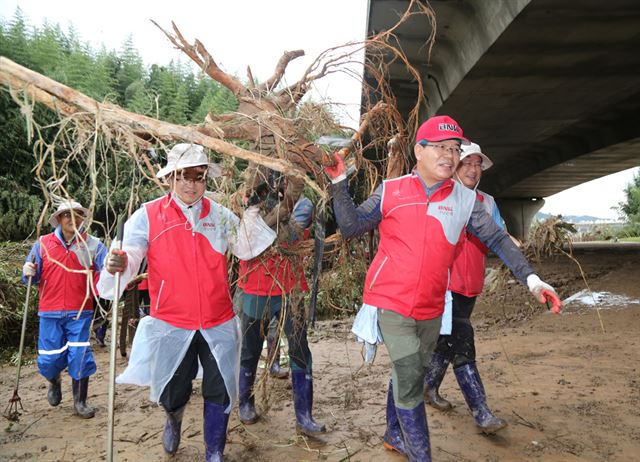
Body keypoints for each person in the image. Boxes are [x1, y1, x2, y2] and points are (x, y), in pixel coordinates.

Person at [325, 115, 562, 462]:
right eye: (440, 147)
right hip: (390, 300)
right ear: (419, 151)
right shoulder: (391, 191)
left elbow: (496, 237)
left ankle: (394, 432)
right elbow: (351, 226)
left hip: (433, 306)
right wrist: (339, 183)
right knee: (408, 374)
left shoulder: (466, 201)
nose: (450, 155)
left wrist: (532, 279)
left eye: (454, 148)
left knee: (412, 372)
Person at [97, 143, 276, 462]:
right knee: (173, 389)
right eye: (183, 176)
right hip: (171, 322)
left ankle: (214, 453)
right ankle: (173, 418)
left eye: (198, 176)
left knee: (220, 389)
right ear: (169, 178)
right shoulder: (148, 215)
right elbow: (132, 253)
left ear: (206, 179)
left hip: (217, 320)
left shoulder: (220, 216)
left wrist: (256, 210)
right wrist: (118, 263)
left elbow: (245, 248)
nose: (191, 184)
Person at [424, 142, 511, 434]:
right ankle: (481, 412)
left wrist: (511, 244)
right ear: (455, 166)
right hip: (446, 287)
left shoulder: (487, 202)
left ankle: (428, 387)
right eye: (467, 164)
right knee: (462, 341)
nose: (473, 170)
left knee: (446, 342)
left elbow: (499, 236)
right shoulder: (443, 197)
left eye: (478, 165)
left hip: (471, 285)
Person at [236, 192, 326, 436]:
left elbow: (295, 232)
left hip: (291, 287)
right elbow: (244, 243)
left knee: (299, 349)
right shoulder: (250, 198)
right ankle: (245, 403)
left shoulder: (304, 203)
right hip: (256, 287)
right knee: (250, 349)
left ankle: (304, 416)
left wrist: (283, 212)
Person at [22, 200, 107, 419]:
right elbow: (31, 277)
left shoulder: (94, 244)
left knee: (79, 356)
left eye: (77, 215)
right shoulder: (43, 243)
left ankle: (80, 402)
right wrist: (28, 272)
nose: (73, 219)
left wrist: (116, 268)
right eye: (67, 215)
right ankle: (55, 381)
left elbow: (107, 270)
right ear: (59, 219)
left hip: (81, 312)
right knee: (50, 359)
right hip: (49, 312)